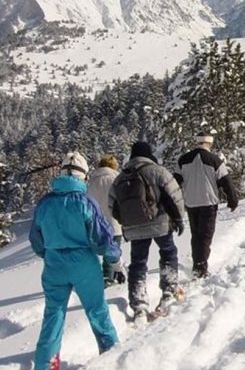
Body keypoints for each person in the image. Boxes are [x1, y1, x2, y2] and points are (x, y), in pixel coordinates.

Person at [29, 151, 121, 370]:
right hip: (84, 263)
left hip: (54, 264)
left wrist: (49, 253)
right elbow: (103, 237)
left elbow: (36, 239)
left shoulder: (44, 204)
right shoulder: (85, 202)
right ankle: (112, 356)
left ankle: (45, 364)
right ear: (83, 176)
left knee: (53, 314)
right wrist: (114, 259)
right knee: (97, 311)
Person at [109, 141, 185, 320]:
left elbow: (113, 205)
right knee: (168, 252)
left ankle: (138, 302)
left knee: (138, 262)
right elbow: (175, 196)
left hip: (134, 227)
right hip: (160, 223)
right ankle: (169, 288)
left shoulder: (120, 177)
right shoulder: (158, 171)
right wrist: (178, 218)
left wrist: (127, 222)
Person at [174, 133, 238, 279]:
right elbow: (226, 181)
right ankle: (200, 267)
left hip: (190, 202)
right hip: (208, 202)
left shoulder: (183, 160)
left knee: (196, 235)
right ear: (209, 144)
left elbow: (175, 181)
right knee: (206, 235)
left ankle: (197, 262)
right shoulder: (215, 160)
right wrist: (232, 200)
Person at [86, 154, 126, 287]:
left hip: (97, 224)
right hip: (114, 221)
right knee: (113, 251)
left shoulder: (92, 181)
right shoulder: (116, 179)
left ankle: (105, 276)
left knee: (103, 250)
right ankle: (110, 278)